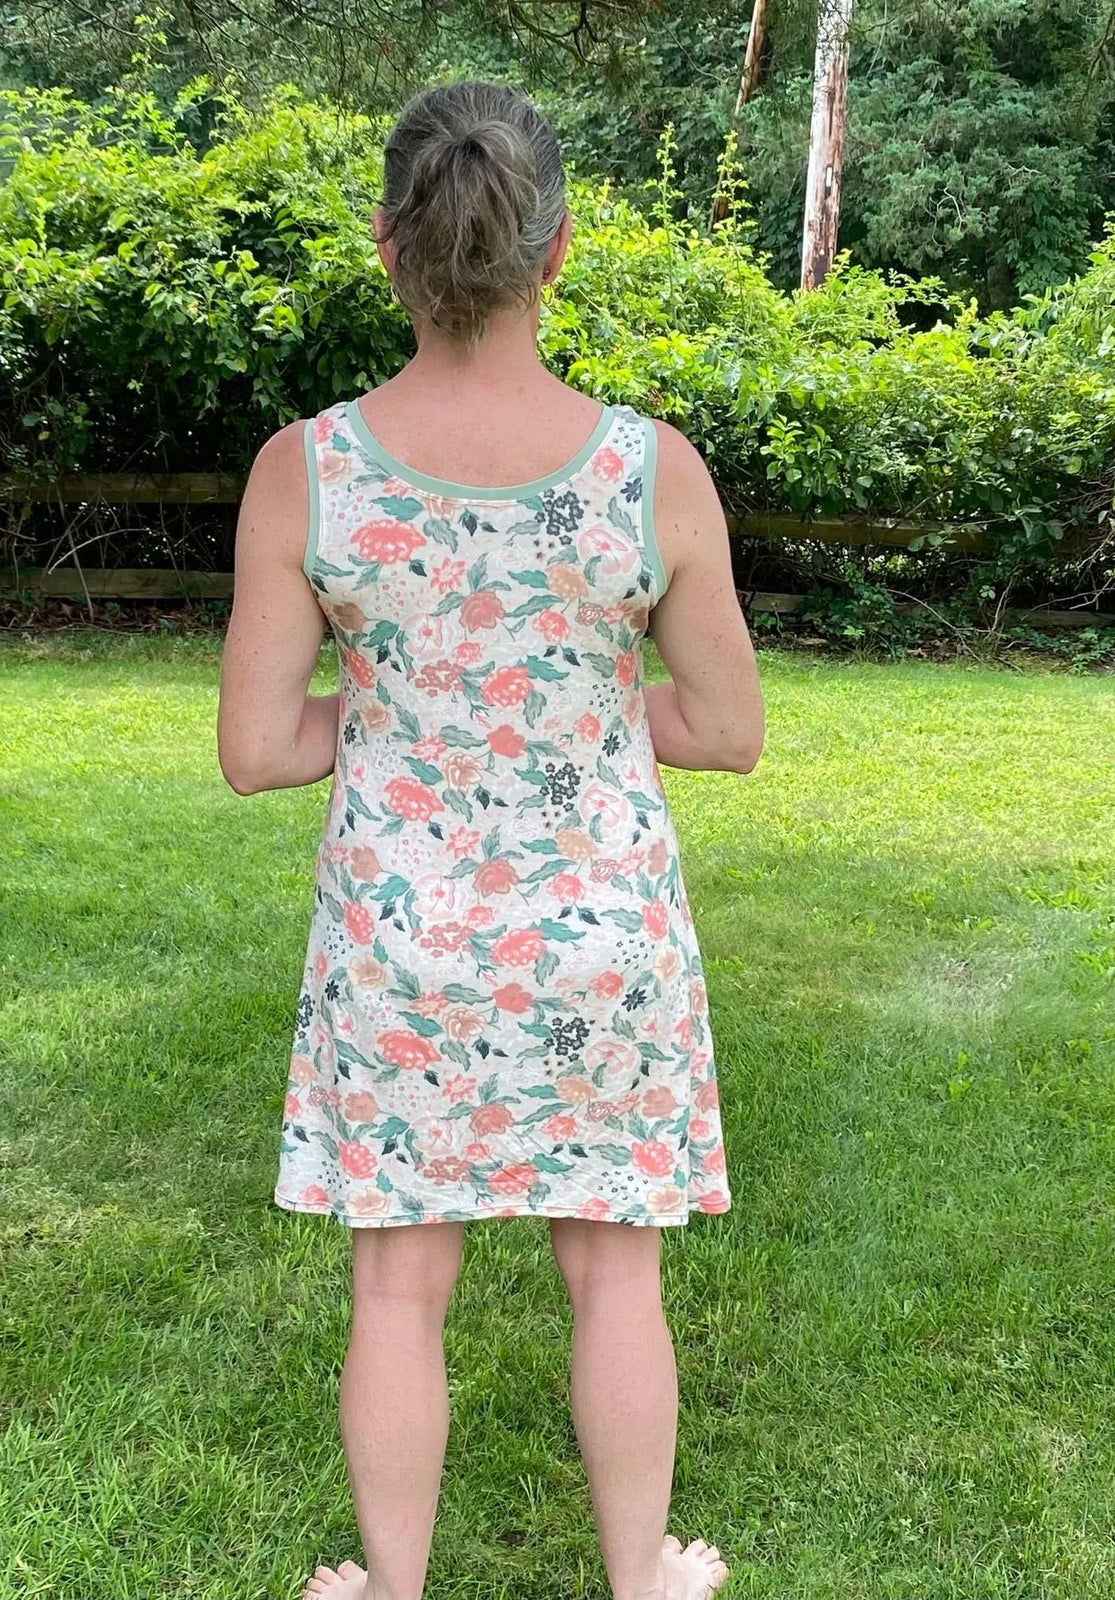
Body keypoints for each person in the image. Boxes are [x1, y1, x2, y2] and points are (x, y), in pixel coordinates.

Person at [217, 78, 764, 1600]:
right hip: (606, 943)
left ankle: (391, 1596)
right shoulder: (650, 470)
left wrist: (419, 719)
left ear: (389, 245)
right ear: (559, 249)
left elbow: (261, 749)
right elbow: (723, 724)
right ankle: (640, 1576)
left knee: (398, 1285)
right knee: (615, 1269)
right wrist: (562, 717)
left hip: (404, 945)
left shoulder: (305, 470)